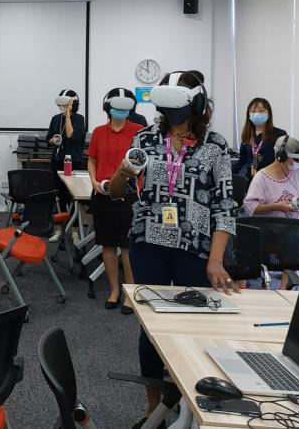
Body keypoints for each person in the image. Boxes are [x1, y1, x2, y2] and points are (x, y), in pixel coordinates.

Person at [108, 71, 238, 425]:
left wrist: (216, 259)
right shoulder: (145, 137)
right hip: (147, 243)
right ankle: (155, 406)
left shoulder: (215, 145)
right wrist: (122, 172)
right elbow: (118, 192)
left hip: (194, 249)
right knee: (151, 328)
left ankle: (190, 403)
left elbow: (224, 207)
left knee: (193, 325)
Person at [87, 88, 143, 313]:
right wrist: (93, 181)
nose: (120, 111)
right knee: (108, 244)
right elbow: (92, 159)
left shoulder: (138, 131)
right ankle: (114, 290)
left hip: (127, 196)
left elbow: (142, 163)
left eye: (124, 107)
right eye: (116, 107)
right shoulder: (99, 132)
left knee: (127, 247)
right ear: (108, 108)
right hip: (102, 193)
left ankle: (130, 293)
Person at [243, 136, 299, 290]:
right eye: (296, 160)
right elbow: (250, 206)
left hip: (296, 233)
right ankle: (242, 286)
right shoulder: (262, 178)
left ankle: (284, 287)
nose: (298, 163)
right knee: (244, 239)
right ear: (282, 157)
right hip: (270, 232)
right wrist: (276, 206)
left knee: (294, 237)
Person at [46, 89, 86, 241]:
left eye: (67, 103)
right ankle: (59, 230)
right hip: (57, 160)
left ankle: (75, 232)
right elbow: (48, 138)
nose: (63, 106)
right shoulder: (55, 119)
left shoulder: (79, 119)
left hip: (73, 161)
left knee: (73, 196)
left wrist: (68, 115)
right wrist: (53, 140)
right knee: (59, 196)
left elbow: (71, 135)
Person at [232, 98, 287, 180]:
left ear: (269, 114)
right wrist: (227, 175)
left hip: (271, 178)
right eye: (253, 111)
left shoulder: (279, 134)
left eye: (261, 111)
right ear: (248, 115)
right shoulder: (247, 135)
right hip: (251, 179)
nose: (257, 114)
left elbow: (283, 161)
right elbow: (241, 161)